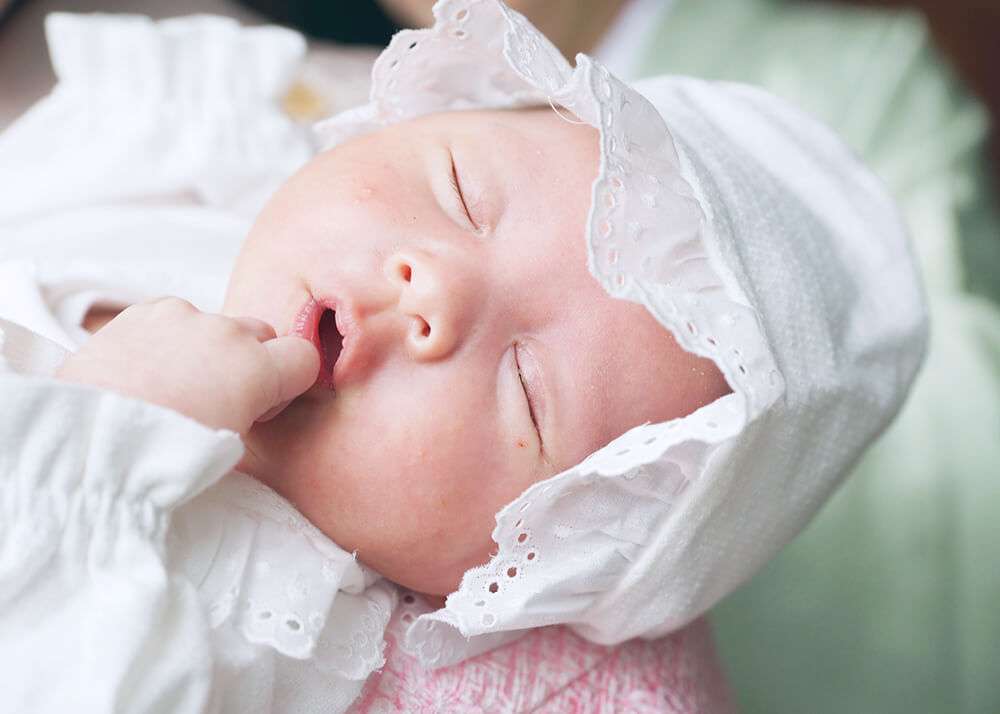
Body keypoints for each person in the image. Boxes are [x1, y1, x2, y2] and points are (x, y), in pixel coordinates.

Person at [0, 1, 926, 711]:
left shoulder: (252, 624)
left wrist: (110, 442)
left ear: (512, 575)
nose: (433, 292)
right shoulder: (189, 161)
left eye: (525, 392)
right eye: (460, 194)